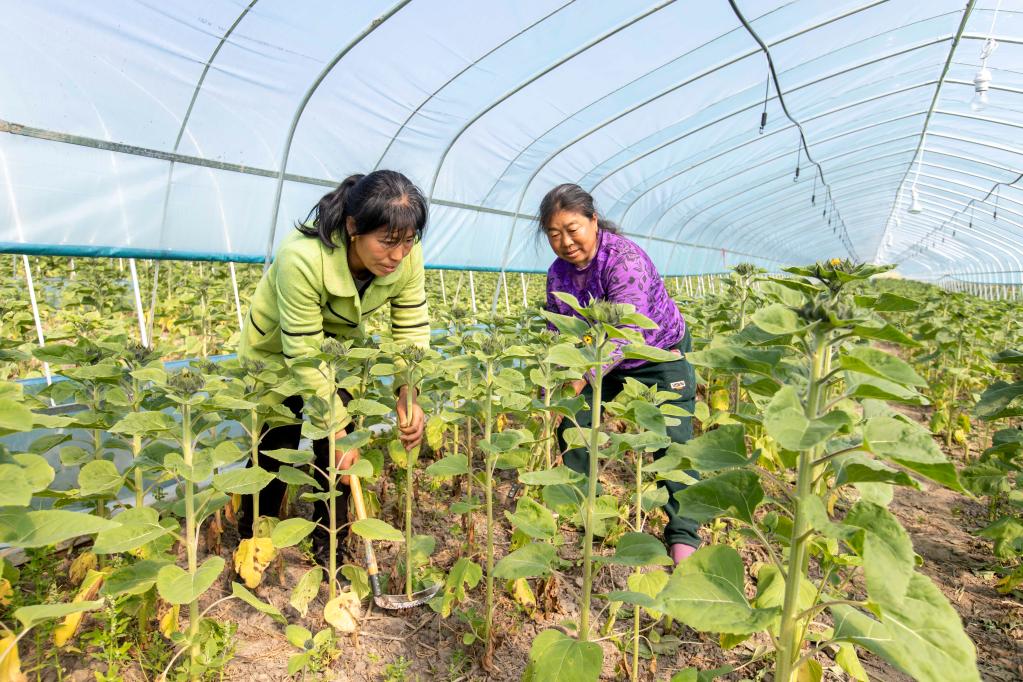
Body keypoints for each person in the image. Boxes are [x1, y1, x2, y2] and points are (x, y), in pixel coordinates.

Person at [236, 170, 430, 565]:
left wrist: (409, 393)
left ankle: (332, 550)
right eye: (388, 242)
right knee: (278, 439)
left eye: (408, 241)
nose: (398, 254)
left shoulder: (407, 257)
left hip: (337, 350)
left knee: (342, 451)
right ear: (354, 227)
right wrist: (334, 425)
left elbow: (410, 328)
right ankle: (253, 541)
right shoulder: (301, 256)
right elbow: (303, 351)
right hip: (276, 351)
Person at [540, 183, 700, 565]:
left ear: (594, 221)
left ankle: (684, 539)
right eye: (554, 234)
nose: (565, 241)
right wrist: (559, 376)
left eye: (572, 228)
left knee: (672, 445)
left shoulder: (622, 259)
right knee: (573, 424)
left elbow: (629, 333)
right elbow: (557, 328)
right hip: (600, 360)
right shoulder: (558, 274)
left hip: (657, 356)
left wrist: (580, 376)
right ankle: (586, 510)